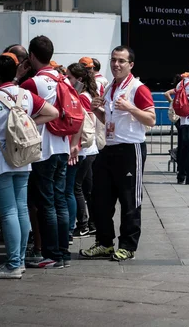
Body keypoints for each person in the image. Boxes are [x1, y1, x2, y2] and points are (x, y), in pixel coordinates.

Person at [0, 55, 58, 278]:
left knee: (8, 211)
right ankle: (18, 261)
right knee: (21, 209)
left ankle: (12, 265)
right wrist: (30, 122)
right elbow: (53, 113)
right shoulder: (26, 95)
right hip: (23, 158)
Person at [81, 46, 156, 261]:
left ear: (130, 64)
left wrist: (130, 107)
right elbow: (109, 121)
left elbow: (151, 119)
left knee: (129, 200)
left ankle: (127, 246)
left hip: (130, 149)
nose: (116, 64)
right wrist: (96, 110)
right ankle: (104, 243)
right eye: (114, 60)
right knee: (101, 199)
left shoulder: (138, 88)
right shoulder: (110, 88)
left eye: (122, 61)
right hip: (109, 148)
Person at [17, 35, 81, 269]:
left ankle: (51, 254)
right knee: (60, 201)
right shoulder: (62, 79)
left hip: (42, 149)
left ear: (32, 56)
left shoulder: (34, 83)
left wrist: (17, 75)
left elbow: (15, 102)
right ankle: (62, 253)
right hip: (62, 147)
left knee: (46, 204)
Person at [65, 63, 100, 238]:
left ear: (79, 79)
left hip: (85, 149)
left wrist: (76, 144)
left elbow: (88, 122)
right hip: (87, 149)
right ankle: (91, 224)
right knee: (86, 189)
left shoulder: (82, 96)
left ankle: (84, 224)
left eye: (68, 77)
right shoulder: (85, 94)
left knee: (76, 189)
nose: (65, 80)